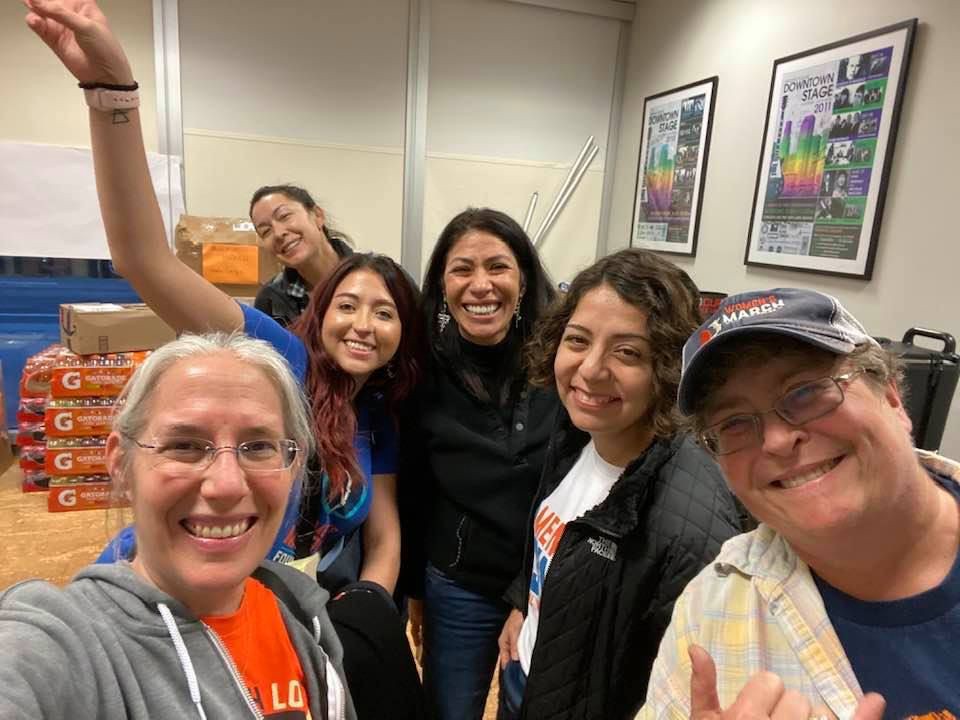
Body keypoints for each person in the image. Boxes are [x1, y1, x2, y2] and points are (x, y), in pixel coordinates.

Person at [26, 0, 424, 597]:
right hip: (165, 596)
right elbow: (144, 260)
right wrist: (111, 95)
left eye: (384, 311)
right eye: (346, 305)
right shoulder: (281, 361)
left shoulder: (379, 419)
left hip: (274, 612)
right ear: (321, 313)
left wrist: (367, 620)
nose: (363, 324)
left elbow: (385, 538)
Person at [637, 288, 960, 719]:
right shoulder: (709, 612)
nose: (776, 440)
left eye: (806, 392)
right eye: (733, 423)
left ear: (891, 399)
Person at [0, 332, 354, 719]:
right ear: (120, 464)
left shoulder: (301, 613)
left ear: (294, 464)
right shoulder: (64, 640)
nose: (226, 484)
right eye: (184, 445)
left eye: (257, 447)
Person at [495, 249, 744, 720]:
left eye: (627, 352)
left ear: (668, 367)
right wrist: (523, 607)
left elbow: (661, 689)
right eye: (578, 340)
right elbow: (555, 544)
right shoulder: (577, 431)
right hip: (526, 674)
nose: (590, 369)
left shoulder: (688, 529)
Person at [401, 208, 558, 720]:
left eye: (498, 267)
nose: (480, 285)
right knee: (449, 709)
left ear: (523, 279)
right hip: (459, 582)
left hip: (544, 583)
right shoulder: (420, 366)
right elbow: (415, 490)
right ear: (442, 284)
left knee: (527, 707)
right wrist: (417, 593)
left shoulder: (561, 361)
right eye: (462, 268)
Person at [252, 184, 354, 327]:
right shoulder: (269, 300)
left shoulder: (377, 279)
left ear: (318, 215)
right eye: (266, 231)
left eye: (284, 216)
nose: (278, 233)